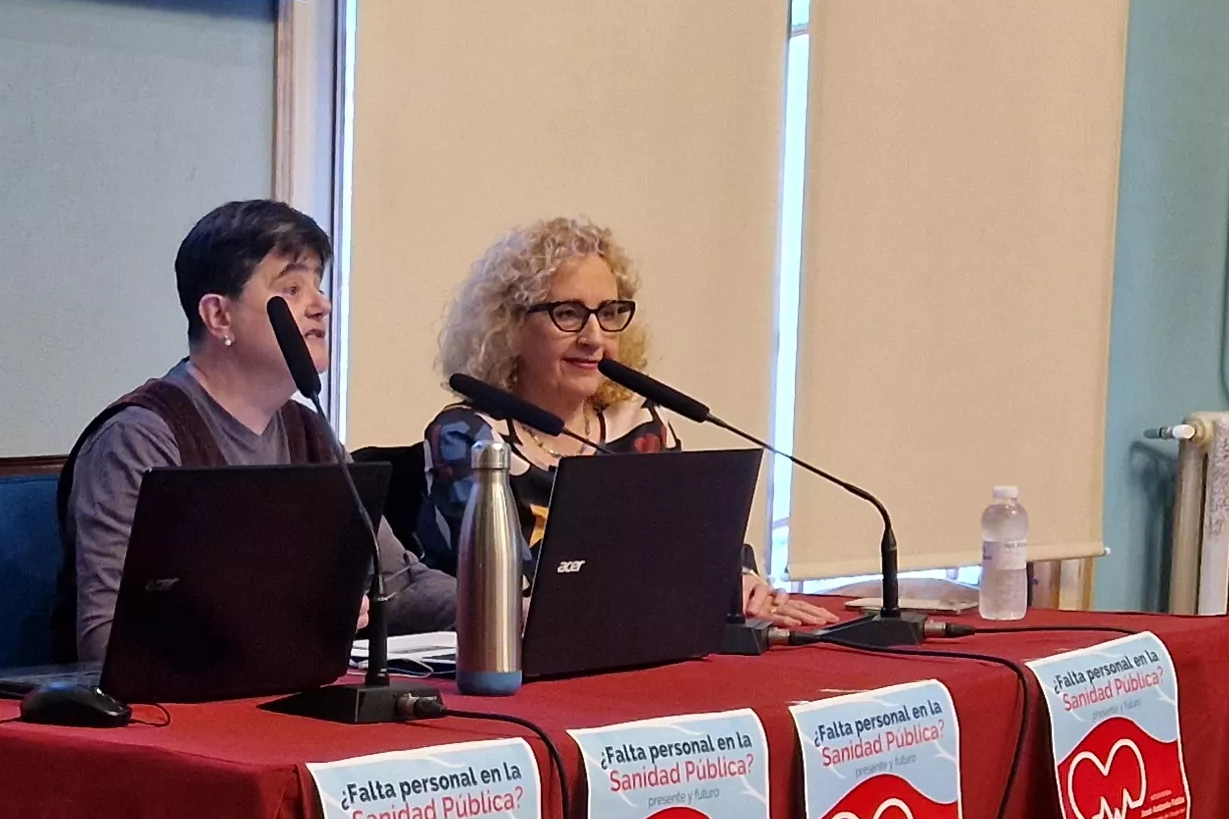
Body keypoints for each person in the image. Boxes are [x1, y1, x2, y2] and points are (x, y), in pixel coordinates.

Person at [59, 199, 455, 664]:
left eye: (318, 286)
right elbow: (106, 640)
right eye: (291, 288)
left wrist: (511, 612)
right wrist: (293, 624)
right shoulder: (141, 438)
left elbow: (398, 582)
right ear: (219, 316)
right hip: (169, 723)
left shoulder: (311, 433)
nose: (322, 306)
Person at [419, 216, 832, 626]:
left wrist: (740, 582)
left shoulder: (639, 426)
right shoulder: (469, 437)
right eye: (568, 313)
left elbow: (691, 543)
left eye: (610, 313)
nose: (594, 337)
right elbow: (516, 588)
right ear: (510, 327)